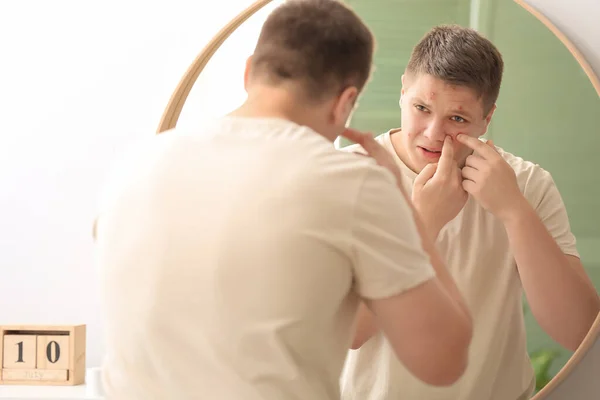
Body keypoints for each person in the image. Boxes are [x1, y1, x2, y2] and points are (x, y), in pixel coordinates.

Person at [93, 2, 473, 399]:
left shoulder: (135, 165)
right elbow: (443, 361)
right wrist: (406, 208)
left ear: (248, 72)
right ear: (344, 102)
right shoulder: (349, 182)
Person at [341, 24, 600, 400]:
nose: (432, 134)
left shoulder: (527, 184)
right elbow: (346, 332)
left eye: (457, 119)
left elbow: (580, 331)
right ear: (403, 92)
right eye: (421, 108)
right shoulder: (343, 175)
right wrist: (423, 224)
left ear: (487, 117)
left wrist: (513, 210)